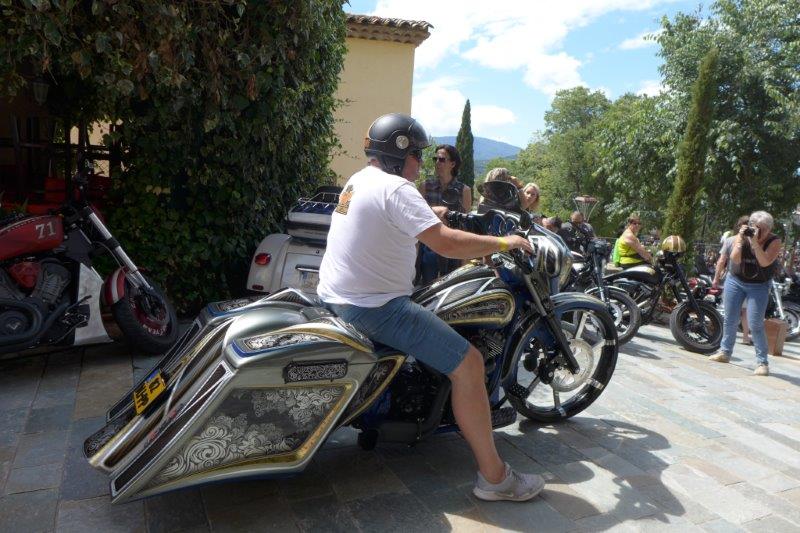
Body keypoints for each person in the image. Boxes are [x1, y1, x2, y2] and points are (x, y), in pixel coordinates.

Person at [317, 113, 544, 501]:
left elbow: (394, 220)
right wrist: (503, 243)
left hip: (338, 296)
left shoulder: (359, 180)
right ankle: (495, 479)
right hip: (376, 307)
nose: (421, 163)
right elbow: (446, 244)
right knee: (469, 364)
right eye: (417, 155)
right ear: (398, 154)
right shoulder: (397, 189)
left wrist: (435, 214)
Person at [709, 211, 782, 376]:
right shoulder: (740, 236)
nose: (760, 232)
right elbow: (735, 259)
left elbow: (764, 262)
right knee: (730, 318)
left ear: (770, 229)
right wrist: (741, 240)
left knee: (755, 323)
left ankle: (762, 363)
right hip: (735, 280)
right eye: (757, 227)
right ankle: (725, 352)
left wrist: (755, 242)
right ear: (751, 225)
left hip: (759, 285)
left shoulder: (774, 241)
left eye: (764, 229)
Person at [417, 144, 471, 284]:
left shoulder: (464, 190)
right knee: (428, 286)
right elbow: (417, 219)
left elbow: (465, 226)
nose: (437, 162)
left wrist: (465, 259)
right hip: (429, 246)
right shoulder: (425, 186)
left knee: (451, 287)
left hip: (454, 246)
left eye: (441, 159)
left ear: (452, 164)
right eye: (435, 159)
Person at [713, 216, 752, 343]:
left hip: (733, 280)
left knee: (730, 312)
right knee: (745, 311)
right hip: (749, 281)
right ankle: (745, 337)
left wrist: (716, 278)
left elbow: (721, 261)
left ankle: (726, 338)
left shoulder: (730, 240)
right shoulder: (754, 242)